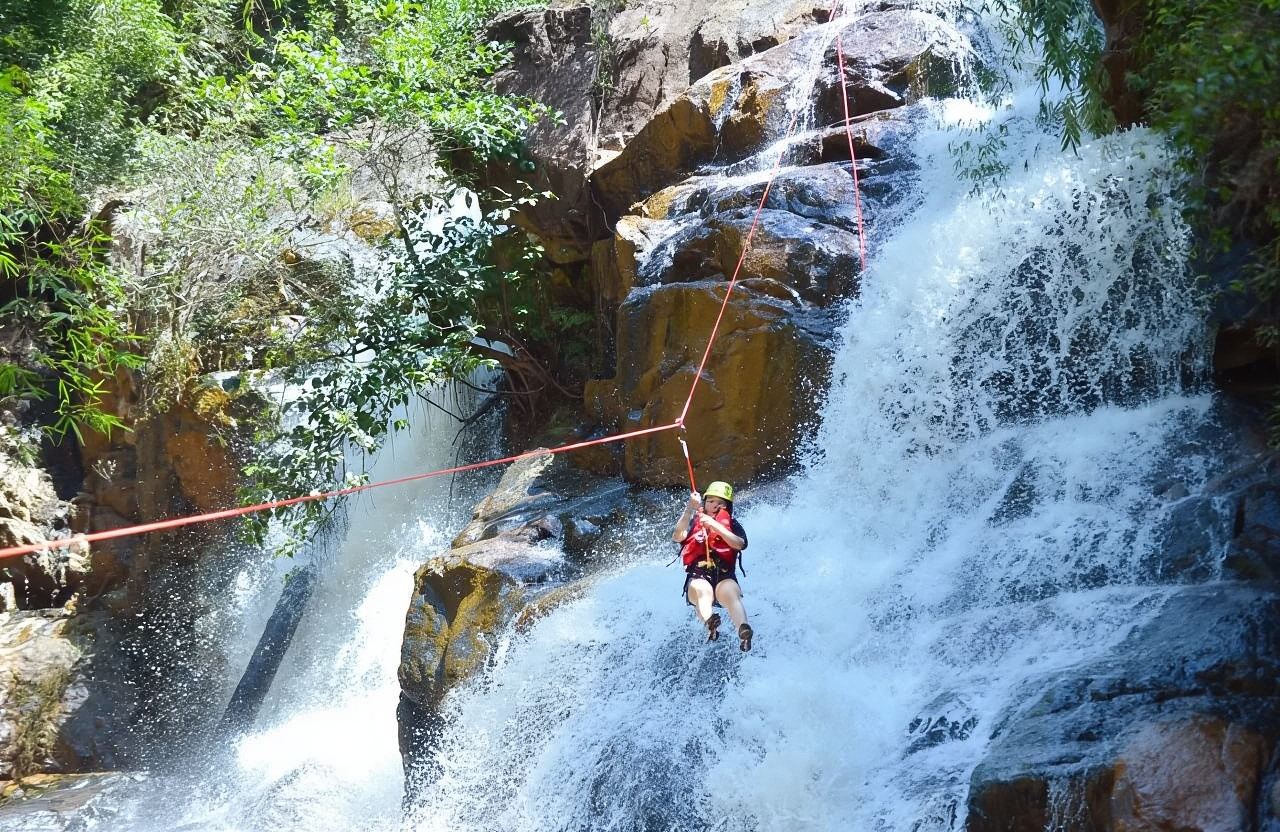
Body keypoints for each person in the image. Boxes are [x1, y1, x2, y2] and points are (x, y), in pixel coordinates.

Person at [672, 481, 753, 651]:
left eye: (720, 502)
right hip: (699, 574)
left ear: (727, 507)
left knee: (731, 593)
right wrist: (689, 508)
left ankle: (743, 630)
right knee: (702, 592)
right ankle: (710, 621)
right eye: (710, 501)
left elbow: (740, 543)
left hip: (724, 574)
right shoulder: (694, 521)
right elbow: (678, 536)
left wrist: (715, 525)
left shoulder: (732, 524)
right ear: (704, 502)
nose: (714, 505)